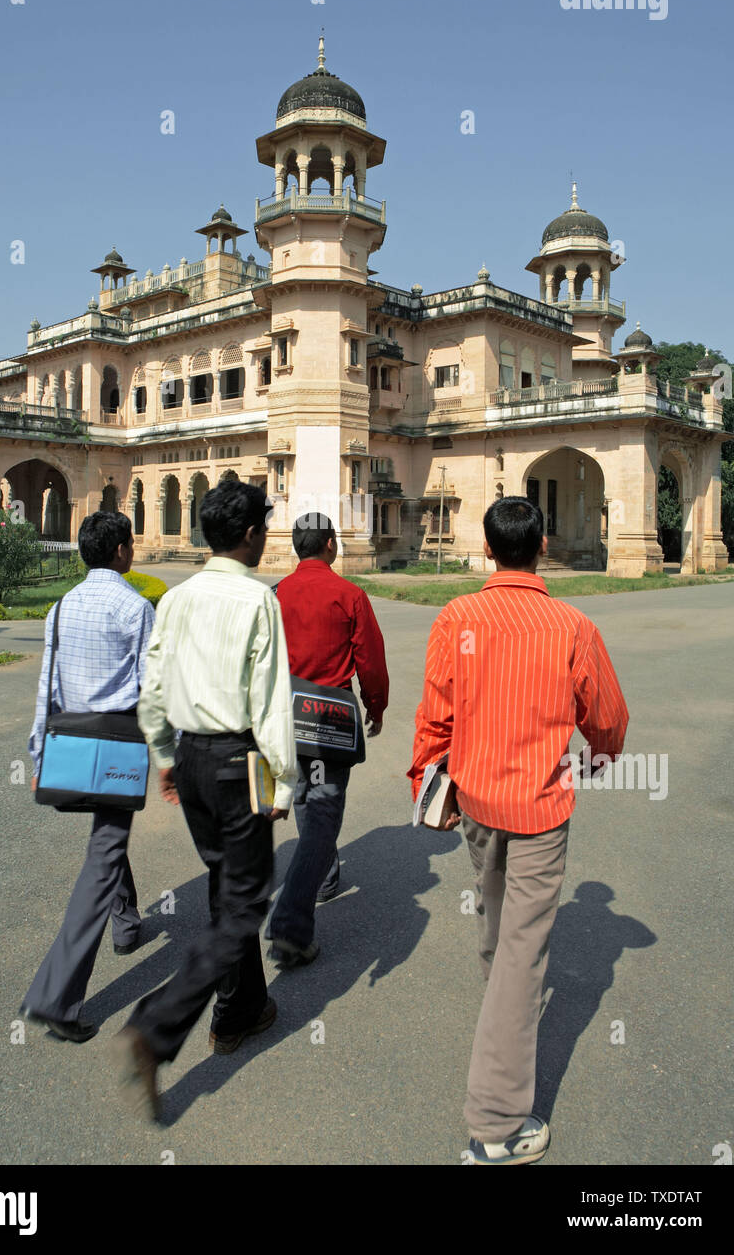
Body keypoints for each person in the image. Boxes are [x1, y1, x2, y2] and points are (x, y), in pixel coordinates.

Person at [408, 496, 628, 1166]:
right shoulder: (569, 624)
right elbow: (609, 717)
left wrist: (425, 782)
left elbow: (436, 713)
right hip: (538, 807)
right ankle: (496, 1125)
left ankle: (500, 1022)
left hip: (476, 801)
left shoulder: (459, 617)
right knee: (523, 950)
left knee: (500, 928)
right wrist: (604, 750)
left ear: (487, 546)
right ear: (542, 545)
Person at [112, 480, 297, 1122]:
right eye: (264, 528)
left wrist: (165, 757)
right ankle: (159, 1025)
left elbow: (153, 683)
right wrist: (283, 784)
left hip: (191, 756)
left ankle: (240, 1010)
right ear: (250, 536)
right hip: (238, 760)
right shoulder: (257, 599)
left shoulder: (178, 598)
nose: (266, 537)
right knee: (246, 901)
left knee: (227, 884)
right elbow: (272, 701)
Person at [21, 511, 156, 1043]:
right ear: (122, 550)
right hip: (118, 743)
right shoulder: (135, 607)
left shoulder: (60, 608)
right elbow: (152, 689)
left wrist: (38, 754)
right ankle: (55, 998)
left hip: (74, 742)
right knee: (104, 851)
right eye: (129, 543)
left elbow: (45, 688)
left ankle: (125, 925)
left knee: (107, 832)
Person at [267, 513, 389, 965]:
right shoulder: (349, 595)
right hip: (329, 717)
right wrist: (375, 706)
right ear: (332, 545)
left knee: (304, 797)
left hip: (284, 714)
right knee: (323, 809)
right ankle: (291, 925)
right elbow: (370, 660)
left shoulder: (276, 593)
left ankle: (326, 873)